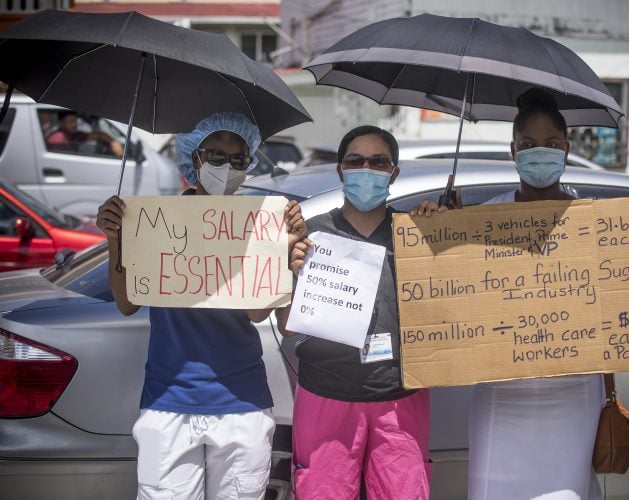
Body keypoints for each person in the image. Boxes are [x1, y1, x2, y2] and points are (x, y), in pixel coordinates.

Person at [414, 88, 629, 500]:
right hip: (502, 396)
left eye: (551, 144)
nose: (540, 153)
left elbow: (626, 296)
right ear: (512, 150)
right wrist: (434, 233)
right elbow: (442, 297)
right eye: (530, 145)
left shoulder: (597, 224)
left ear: (567, 149)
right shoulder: (482, 224)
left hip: (575, 395)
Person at [96, 112, 305, 500]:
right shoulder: (155, 224)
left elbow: (258, 312)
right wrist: (115, 239)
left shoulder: (259, 226)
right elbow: (125, 302)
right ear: (194, 159)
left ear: (249, 165)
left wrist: (286, 246)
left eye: (237, 159)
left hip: (240, 403)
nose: (226, 167)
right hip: (168, 401)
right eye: (216, 156)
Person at [277, 125, 431, 500]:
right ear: (340, 170)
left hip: (400, 398)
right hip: (325, 394)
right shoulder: (313, 237)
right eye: (355, 160)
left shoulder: (415, 235)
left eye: (378, 162)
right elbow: (286, 326)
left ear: (393, 173)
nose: (366, 168)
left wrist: (444, 229)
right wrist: (285, 267)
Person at [47, 110, 124, 157]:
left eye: (75, 121)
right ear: (61, 123)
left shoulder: (74, 135)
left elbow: (99, 135)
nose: (74, 124)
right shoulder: (57, 138)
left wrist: (113, 143)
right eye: (70, 122)